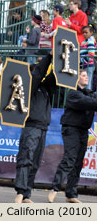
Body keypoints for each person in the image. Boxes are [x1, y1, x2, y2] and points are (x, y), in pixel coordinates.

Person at [47, 70, 97, 203]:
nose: (87, 78)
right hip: (71, 129)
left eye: (87, 75)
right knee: (70, 158)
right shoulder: (73, 94)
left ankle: (71, 194)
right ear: (77, 78)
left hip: (83, 130)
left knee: (78, 163)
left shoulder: (89, 93)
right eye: (84, 75)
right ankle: (55, 188)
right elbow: (89, 102)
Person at [14, 53, 56, 203]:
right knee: (26, 158)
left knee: (35, 162)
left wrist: (62, 56)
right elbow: (38, 74)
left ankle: (26, 194)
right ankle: (20, 192)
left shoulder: (45, 89)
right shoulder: (28, 86)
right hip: (31, 126)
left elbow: (56, 75)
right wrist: (49, 57)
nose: (39, 75)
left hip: (43, 128)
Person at [80, 25, 96, 89]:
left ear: (91, 33)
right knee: (83, 83)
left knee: (87, 83)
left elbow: (91, 55)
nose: (84, 34)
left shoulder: (91, 41)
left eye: (86, 32)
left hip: (89, 65)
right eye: (83, 32)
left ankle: (88, 97)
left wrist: (81, 61)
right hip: (84, 65)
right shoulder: (83, 42)